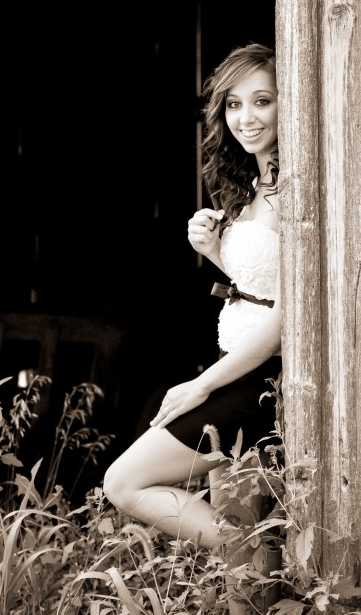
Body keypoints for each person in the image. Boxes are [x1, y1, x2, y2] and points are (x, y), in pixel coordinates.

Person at [102, 42, 282, 551]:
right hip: (237, 362)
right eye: (233, 104)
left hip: (260, 379)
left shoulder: (297, 190)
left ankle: (260, 552)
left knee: (124, 482)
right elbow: (264, 290)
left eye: (262, 100)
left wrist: (200, 386)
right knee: (229, 514)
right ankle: (255, 570)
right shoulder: (253, 187)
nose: (246, 117)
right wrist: (215, 251)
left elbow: (291, 317)